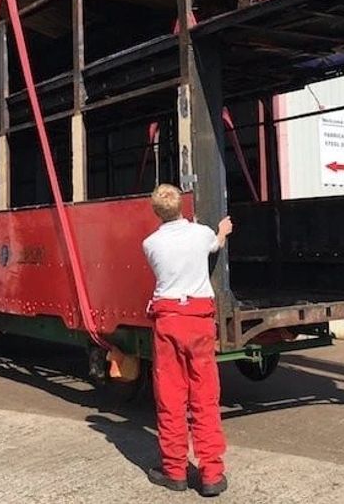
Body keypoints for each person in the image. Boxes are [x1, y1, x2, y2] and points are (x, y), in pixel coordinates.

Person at [141, 184, 232, 498]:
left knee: (171, 400)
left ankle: (175, 471)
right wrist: (223, 230)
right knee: (204, 399)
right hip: (199, 322)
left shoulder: (150, 244)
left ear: (156, 212)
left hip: (167, 321)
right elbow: (215, 245)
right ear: (183, 206)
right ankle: (211, 475)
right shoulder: (201, 233)